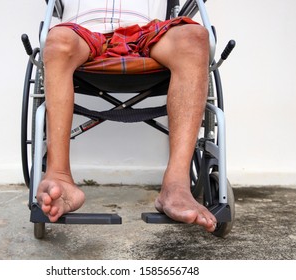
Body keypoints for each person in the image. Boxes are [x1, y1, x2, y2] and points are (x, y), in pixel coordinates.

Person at [36, 0, 217, 232]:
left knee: (194, 36)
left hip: (147, 31)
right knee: (57, 40)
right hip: (82, 31)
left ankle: (176, 187)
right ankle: (58, 176)